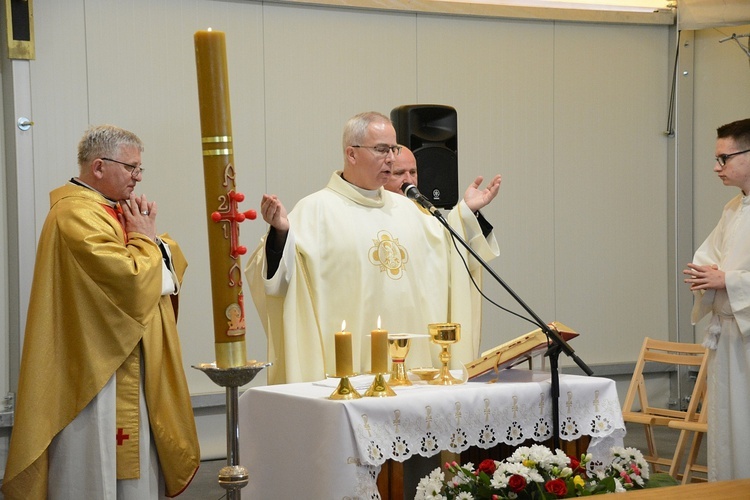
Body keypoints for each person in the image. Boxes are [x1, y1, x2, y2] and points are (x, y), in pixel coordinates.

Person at [2, 125, 200, 499]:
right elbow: (130, 280)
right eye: (131, 168)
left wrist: (150, 239)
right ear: (98, 167)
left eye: (140, 169)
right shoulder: (74, 214)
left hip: (126, 361)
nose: (138, 177)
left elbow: (165, 260)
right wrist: (146, 239)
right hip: (91, 374)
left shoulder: (112, 211)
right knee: (92, 469)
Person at [245, 111, 501, 385]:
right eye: (381, 149)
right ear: (351, 154)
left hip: (414, 377)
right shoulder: (315, 211)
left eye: (393, 148)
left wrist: (466, 216)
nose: (391, 158)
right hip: (346, 382)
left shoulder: (410, 210)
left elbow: (452, 255)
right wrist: (281, 233)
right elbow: (280, 284)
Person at [683, 117, 750, 481]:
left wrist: (729, 281)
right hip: (729, 337)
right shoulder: (733, 209)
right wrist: (704, 276)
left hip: (748, 335)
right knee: (727, 427)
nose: (716, 167)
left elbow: (725, 274)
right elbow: (708, 257)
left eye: (724, 158)